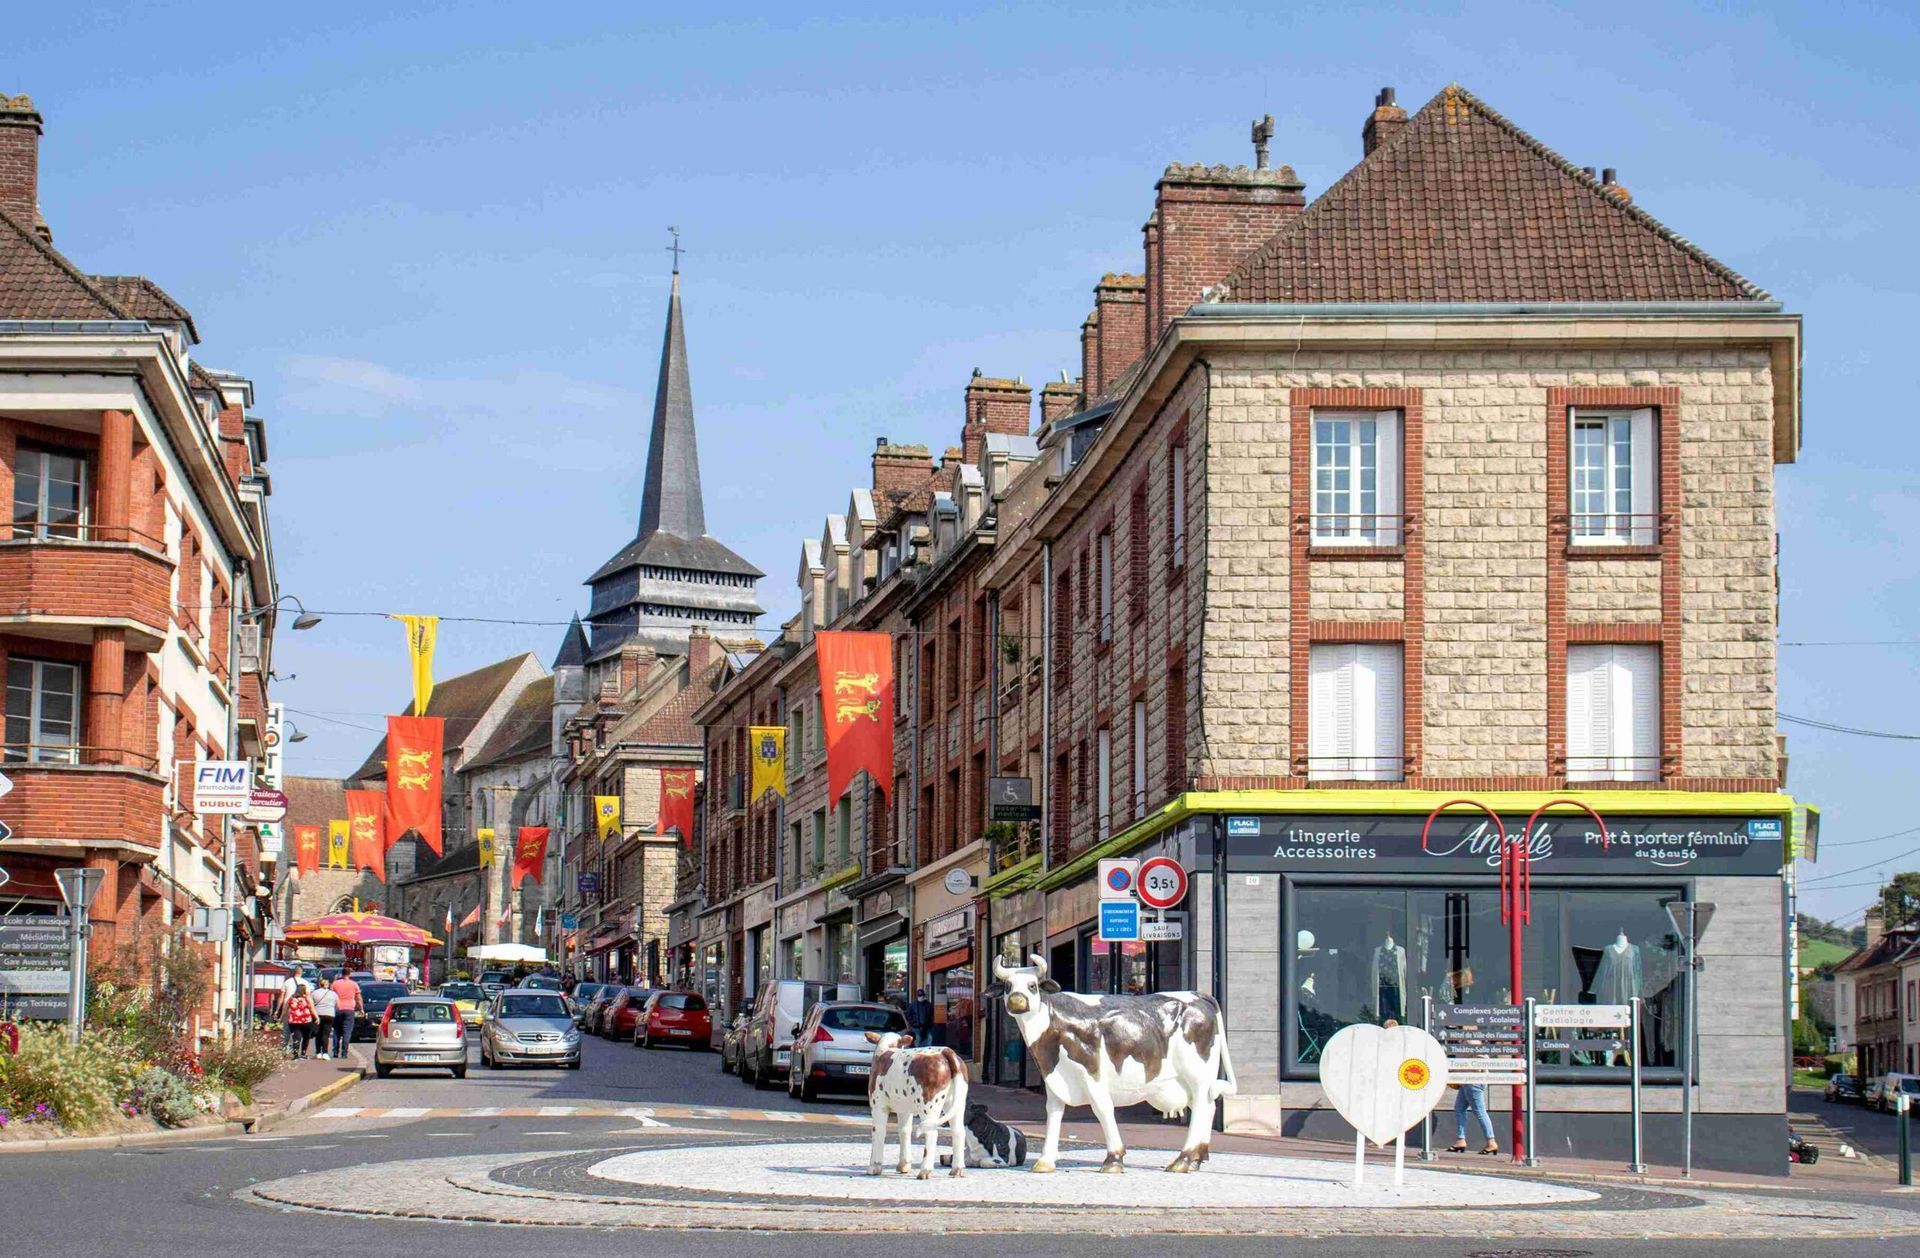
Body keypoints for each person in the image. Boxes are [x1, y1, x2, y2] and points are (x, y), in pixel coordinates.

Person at [1449, 1082, 1498, 1155]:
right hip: (1468, 1082)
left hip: (1472, 1082)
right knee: (1459, 1109)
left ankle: (1491, 1142)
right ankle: (1460, 1140)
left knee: (1480, 1113)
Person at [330, 971, 364, 1057]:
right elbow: (358, 998)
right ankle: (344, 1052)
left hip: (337, 1009)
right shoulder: (354, 984)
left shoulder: (335, 983)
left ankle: (335, 1051)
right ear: (349, 974)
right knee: (347, 1031)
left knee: (336, 1031)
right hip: (349, 1009)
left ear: (341, 974)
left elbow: (331, 996)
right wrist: (361, 1009)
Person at [284, 982, 317, 1059]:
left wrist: (282, 1016)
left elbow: (285, 1009)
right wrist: (316, 1017)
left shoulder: (291, 999)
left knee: (296, 1037)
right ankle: (303, 1053)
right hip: (306, 1020)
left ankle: (295, 1054)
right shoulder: (307, 998)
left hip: (294, 1020)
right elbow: (312, 1009)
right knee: (306, 1037)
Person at [309, 980, 338, 1060]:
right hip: (329, 1014)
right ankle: (325, 1053)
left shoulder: (314, 993)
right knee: (326, 1034)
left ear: (319, 984)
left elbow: (311, 1004)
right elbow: (337, 1005)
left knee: (318, 1034)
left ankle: (318, 1052)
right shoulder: (333, 994)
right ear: (328, 985)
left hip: (318, 1014)